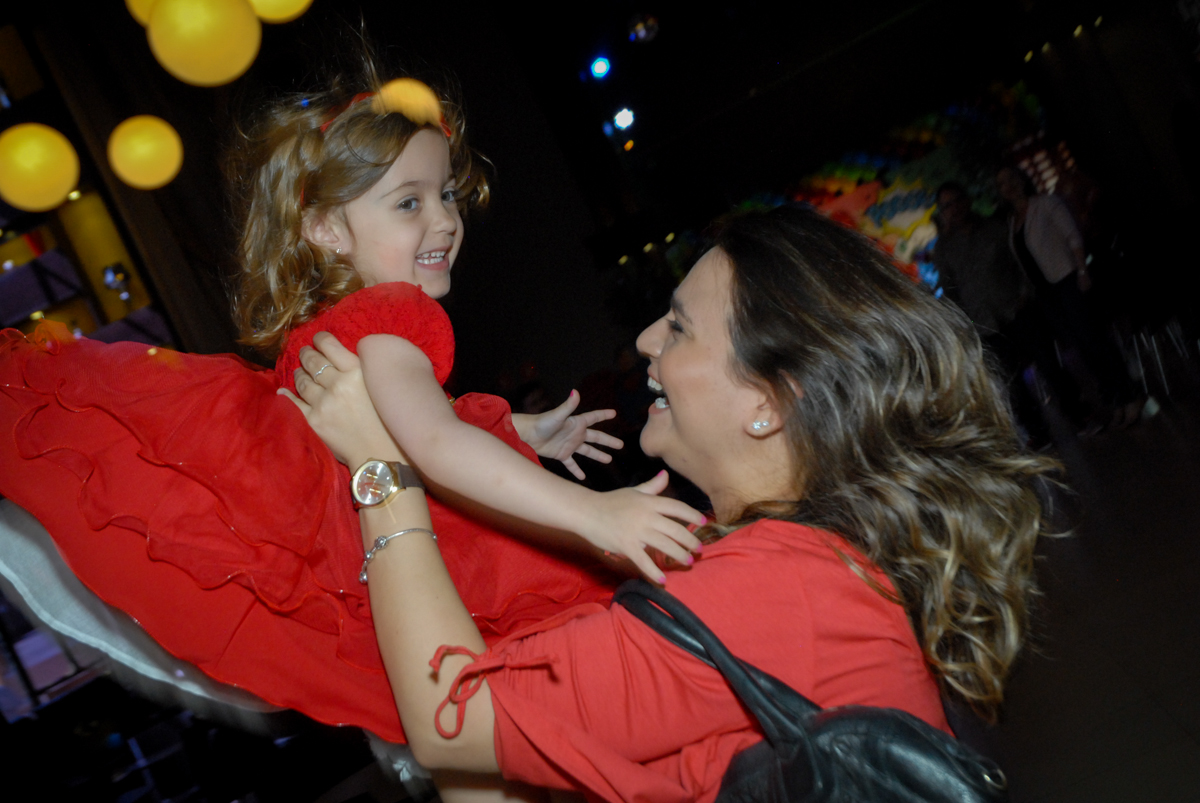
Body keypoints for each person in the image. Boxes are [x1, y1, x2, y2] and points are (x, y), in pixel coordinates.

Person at [0, 68, 702, 745]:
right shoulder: (396, 315)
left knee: (513, 737)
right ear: (327, 230)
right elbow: (430, 444)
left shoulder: (338, 330)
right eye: (409, 202)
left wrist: (516, 427)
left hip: (394, 574)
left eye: (448, 196)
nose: (445, 220)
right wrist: (593, 512)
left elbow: (402, 426)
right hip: (470, 571)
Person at [290, 205, 1057, 803]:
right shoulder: (776, 557)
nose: (648, 338)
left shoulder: (777, 583)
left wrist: (382, 473)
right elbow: (491, 759)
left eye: (681, 325)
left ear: (767, 402)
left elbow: (455, 718)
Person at [933, 181, 1081, 445]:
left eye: (956, 201)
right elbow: (950, 290)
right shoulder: (944, 248)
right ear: (941, 212)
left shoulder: (995, 228)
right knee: (1011, 383)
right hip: (984, 323)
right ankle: (1037, 431)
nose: (953, 209)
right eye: (946, 206)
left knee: (1048, 364)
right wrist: (966, 324)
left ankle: (1079, 414)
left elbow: (1020, 259)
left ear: (966, 200)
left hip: (1017, 308)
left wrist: (1026, 292)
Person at [996, 165, 1142, 430]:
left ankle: (1129, 396)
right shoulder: (1012, 222)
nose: (1008, 186)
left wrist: (1082, 271)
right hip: (1046, 293)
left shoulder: (1045, 204)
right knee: (1082, 348)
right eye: (1002, 183)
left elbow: (1072, 235)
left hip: (1067, 280)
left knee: (1094, 340)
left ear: (1021, 179)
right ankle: (1116, 400)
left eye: (1011, 179)